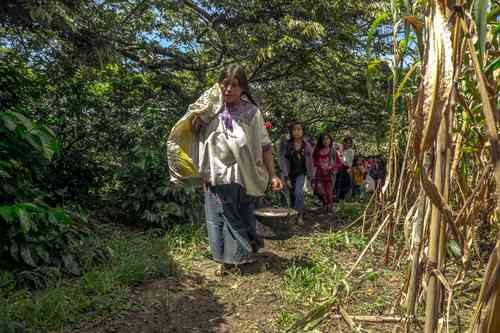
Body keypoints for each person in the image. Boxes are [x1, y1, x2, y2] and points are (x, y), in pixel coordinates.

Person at [190, 64, 282, 275]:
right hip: (216, 174)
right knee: (221, 216)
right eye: (225, 84)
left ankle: (239, 256)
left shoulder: (251, 113)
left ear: (243, 88)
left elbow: (264, 145)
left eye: (234, 85)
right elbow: (195, 136)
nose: (229, 89)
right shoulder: (210, 109)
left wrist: (273, 174)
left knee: (239, 215)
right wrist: (195, 120)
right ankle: (232, 259)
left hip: (244, 175)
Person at [280, 122, 314, 219]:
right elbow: (283, 160)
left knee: (298, 193)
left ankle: (299, 216)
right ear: (291, 131)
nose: (297, 132)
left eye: (299, 129)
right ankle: (285, 215)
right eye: (294, 129)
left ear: (302, 131)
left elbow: (311, 162)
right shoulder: (287, 145)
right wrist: (286, 177)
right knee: (286, 194)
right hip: (288, 173)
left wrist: (311, 178)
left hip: (301, 173)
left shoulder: (306, 146)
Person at [312, 132, 341, 213]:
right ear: (321, 141)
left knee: (329, 192)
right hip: (319, 175)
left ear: (330, 140)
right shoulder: (317, 150)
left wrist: (332, 167)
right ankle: (325, 204)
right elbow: (313, 160)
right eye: (323, 139)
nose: (326, 141)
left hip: (330, 175)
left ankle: (329, 207)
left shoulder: (333, 151)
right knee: (321, 191)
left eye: (327, 139)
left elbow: (339, 163)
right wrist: (319, 165)